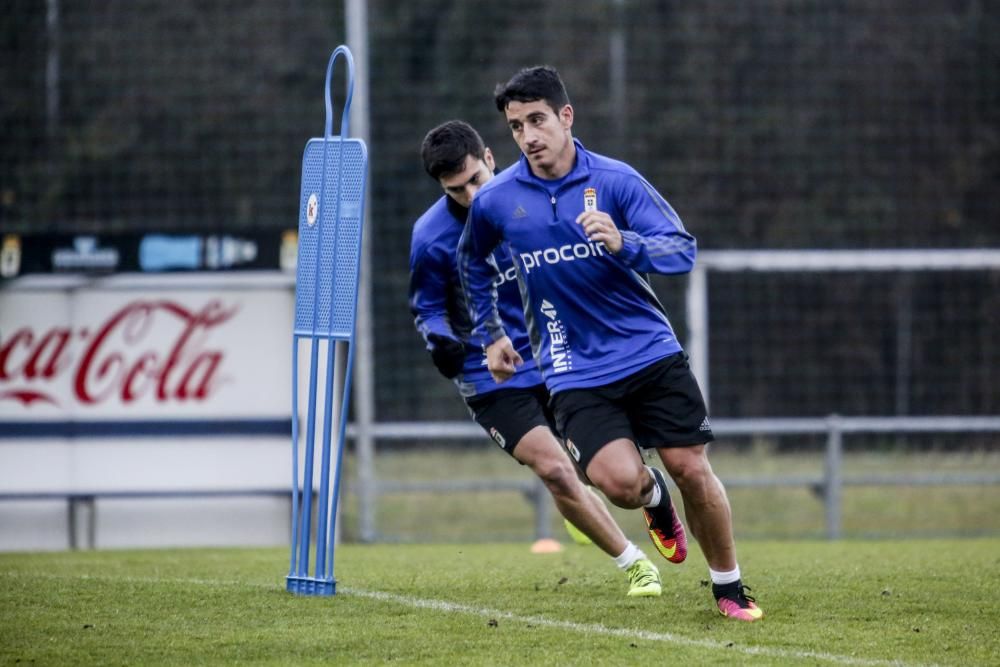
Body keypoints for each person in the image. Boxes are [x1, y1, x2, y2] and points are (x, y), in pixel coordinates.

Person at [457, 67, 763, 622]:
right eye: (516, 126)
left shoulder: (617, 180)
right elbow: (472, 261)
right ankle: (653, 501)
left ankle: (730, 587)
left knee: (690, 467)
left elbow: (681, 250)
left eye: (538, 120)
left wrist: (627, 244)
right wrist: (493, 333)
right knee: (619, 483)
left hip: (648, 351)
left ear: (566, 117)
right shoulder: (497, 201)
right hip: (572, 368)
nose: (528, 136)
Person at [409, 119, 671, 598]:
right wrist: (440, 339)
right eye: (455, 190)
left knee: (614, 481)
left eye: (475, 181)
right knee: (553, 468)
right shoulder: (430, 237)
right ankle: (635, 565)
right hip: (488, 372)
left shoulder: (532, 199)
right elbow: (428, 307)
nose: (469, 195)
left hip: (556, 354)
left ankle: (649, 490)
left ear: (491, 158)